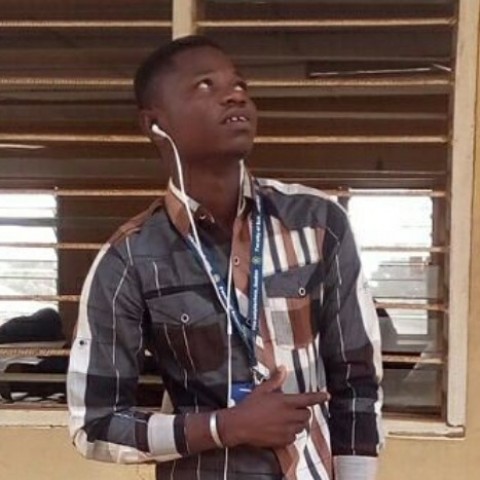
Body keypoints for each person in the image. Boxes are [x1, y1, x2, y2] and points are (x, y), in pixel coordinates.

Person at [67, 35, 382, 480]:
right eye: (205, 85)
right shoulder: (129, 259)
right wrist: (223, 427)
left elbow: (357, 380)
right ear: (154, 124)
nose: (235, 95)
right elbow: (96, 424)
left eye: (239, 85)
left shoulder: (317, 222)